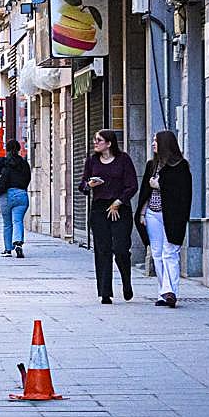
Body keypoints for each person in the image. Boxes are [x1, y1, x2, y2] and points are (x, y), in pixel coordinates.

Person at [79, 129, 139, 304]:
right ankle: (105, 292)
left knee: (121, 249)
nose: (95, 142)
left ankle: (127, 284)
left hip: (120, 208)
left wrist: (118, 202)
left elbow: (132, 185)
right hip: (99, 209)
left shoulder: (123, 160)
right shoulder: (92, 161)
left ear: (109, 143)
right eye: (95, 139)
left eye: (99, 140)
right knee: (102, 250)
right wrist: (89, 185)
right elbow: (82, 185)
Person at [135, 130, 192, 308]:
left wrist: (160, 185)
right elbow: (145, 192)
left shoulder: (180, 166)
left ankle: (170, 291)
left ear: (165, 144)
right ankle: (163, 292)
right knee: (157, 253)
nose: (153, 144)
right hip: (152, 213)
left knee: (170, 252)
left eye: (156, 141)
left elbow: (183, 194)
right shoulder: (152, 165)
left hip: (172, 216)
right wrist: (142, 213)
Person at [0, 140, 32, 257]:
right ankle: (18, 243)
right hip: (21, 194)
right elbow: (28, 178)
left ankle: (8, 249)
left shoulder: (3, 162)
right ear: (19, 149)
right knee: (18, 221)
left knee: (7, 223)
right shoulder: (24, 163)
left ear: (6, 149)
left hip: (5, 195)